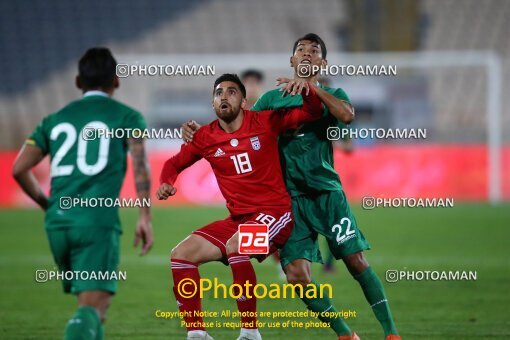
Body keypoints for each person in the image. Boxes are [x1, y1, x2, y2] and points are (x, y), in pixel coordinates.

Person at [182, 34, 400, 340]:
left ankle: (391, 333)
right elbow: (238, 128)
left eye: (314, 51)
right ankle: (345, 334)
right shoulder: (271, 100)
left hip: (327, 195)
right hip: (287, 202)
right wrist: (199, 133)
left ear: (322, 63)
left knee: (355, 261)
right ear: (292, 61)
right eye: (301, 50)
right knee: (296, 275)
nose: (307, 53)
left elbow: (347, 116)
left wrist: (312, 89)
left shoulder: (333, 93)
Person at [157, 73, 322, 340]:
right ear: (212, 103)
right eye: (218, 92)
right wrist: (166, 181)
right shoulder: (205, 137)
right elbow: (173, 164)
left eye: (232, 92)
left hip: (275, 213)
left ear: (244, 101)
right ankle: (196, 333)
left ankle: (250, 331)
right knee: (181, 254)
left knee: (237, 245)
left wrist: (308, 90)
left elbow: (312, 112)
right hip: (238, 219)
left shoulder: (266, 122)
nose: (224, 96)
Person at [12, 47, 153, 340]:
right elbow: (140, 166)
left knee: (91, 309)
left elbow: (19, 169)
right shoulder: (127, 117)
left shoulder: (54, 119)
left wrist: (46, 205)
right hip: (96, 224)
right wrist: (144, 215)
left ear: (78, 82)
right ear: (117, 81)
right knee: (93, 307)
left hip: (57, 225)